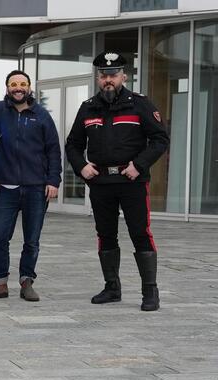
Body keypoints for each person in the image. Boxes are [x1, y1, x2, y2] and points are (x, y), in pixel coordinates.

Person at [65, 52, 169, 311]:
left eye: (113, 75)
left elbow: (160, 139)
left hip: (131, 181)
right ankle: (112, 288)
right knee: (105, 235)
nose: (107, 80)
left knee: (140, 233)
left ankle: (150, 292)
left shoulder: (140, 104)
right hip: (100, 183)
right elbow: (73, 144)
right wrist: (81, 167)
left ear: (124, 76)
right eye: (103, 76)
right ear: (98, 78)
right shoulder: (88, 107)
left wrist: (139, 165)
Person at [0, 67, 62, 302]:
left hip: (36, 188)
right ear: (7, 88)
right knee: (0, 239)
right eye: (13, 84)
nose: (18, 88)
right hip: (7, 188)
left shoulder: (42, 116)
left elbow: (54, 151)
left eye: (22, 84)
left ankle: (27, 282)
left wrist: (53, 180)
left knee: (32, 240)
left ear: (29, 88)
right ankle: (0, 285)